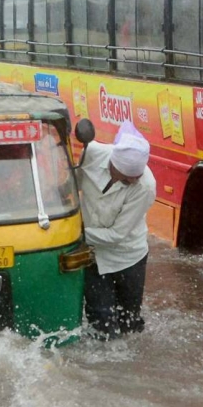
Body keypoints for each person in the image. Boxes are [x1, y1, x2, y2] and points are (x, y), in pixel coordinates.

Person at [77, 120, 156, 338]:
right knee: (99, 319)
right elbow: (70, 185)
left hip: (128, 256)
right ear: (115, 166)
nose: (134, 180)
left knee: (129, 322)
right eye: (129, 176)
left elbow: (116, 235)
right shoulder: (91, 154)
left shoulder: (145, 186)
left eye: (137, 176)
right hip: (92, 254)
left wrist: (77, 235)